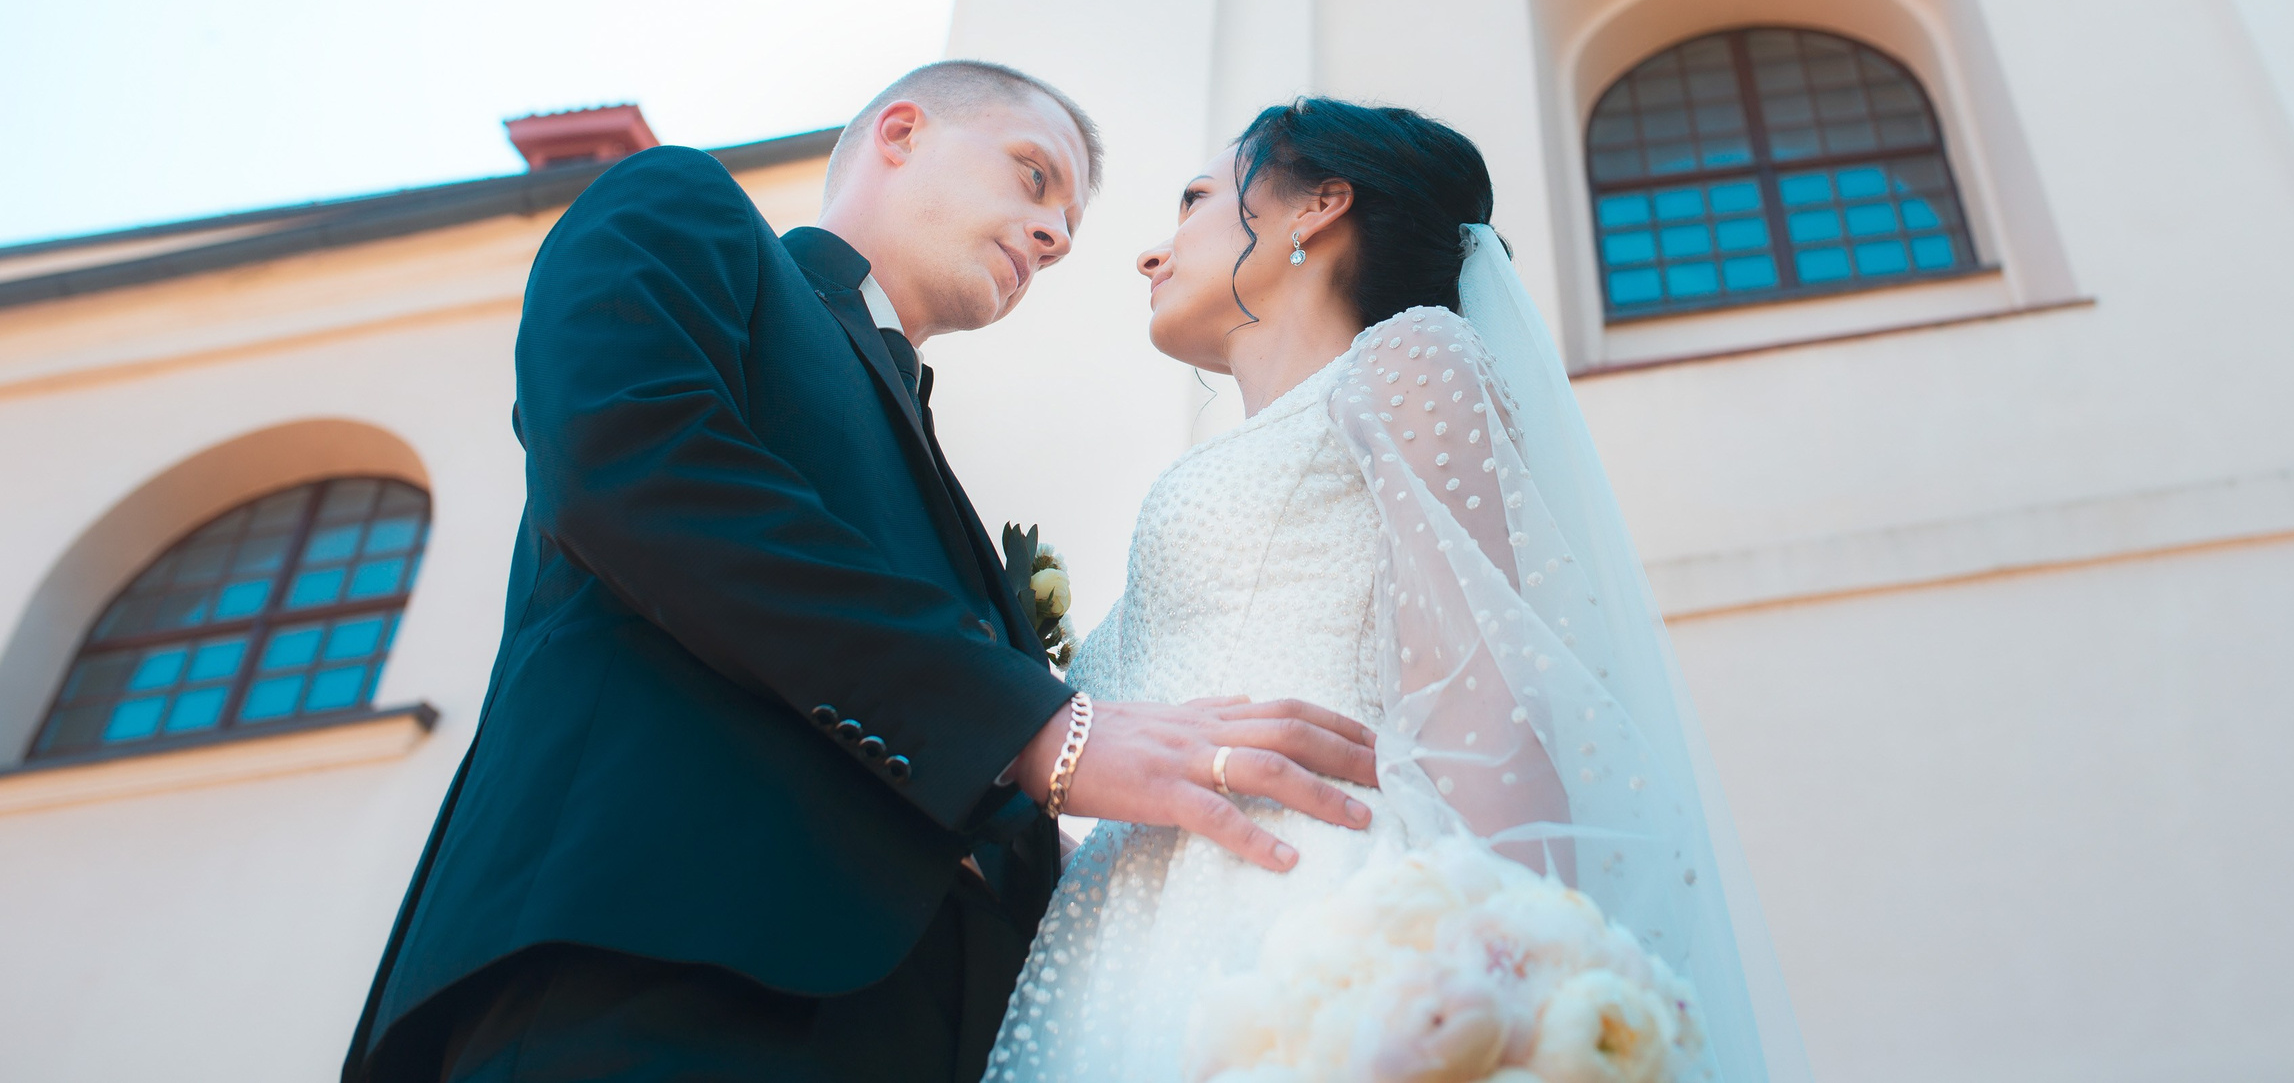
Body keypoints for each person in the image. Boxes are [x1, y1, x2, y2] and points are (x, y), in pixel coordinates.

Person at [343, 61, 1378, 1083]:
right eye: (1031, 176)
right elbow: (639, 468)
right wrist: (1037, 723)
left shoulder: (930, 453)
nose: (1056, 233)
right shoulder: (680, 205)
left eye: (1065, 221)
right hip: (656, 971)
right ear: (901, 132)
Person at [980, 98, 1781, 1083]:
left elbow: (1485, 703)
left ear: (1318, 205)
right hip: (1118, 950)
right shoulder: (1234, 459)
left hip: (1296, 920)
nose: (1152, 252)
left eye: (1194, 199)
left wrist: (1509, 991)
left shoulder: (1408, 357)